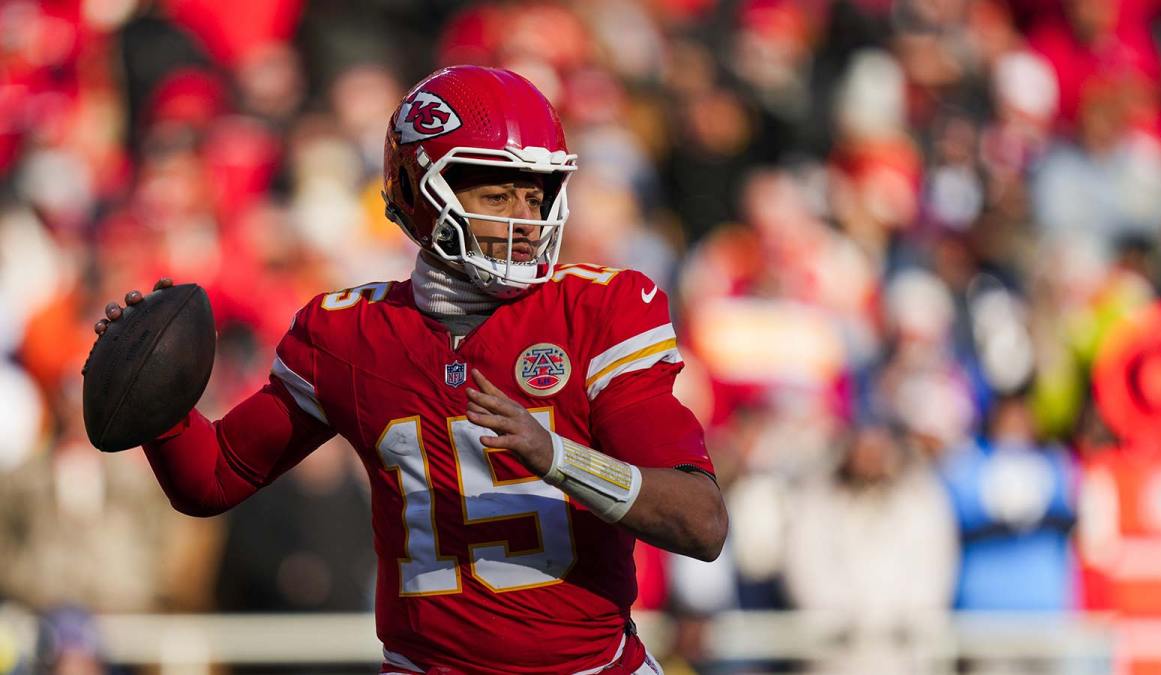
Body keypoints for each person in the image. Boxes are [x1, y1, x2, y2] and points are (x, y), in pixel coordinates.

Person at [91, 65, 728, 674]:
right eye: (498, 192)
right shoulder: (348, 333)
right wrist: (152, 396)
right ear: (423, 195)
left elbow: (700, 523)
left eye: (537, 195)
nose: (526, 221)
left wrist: (557, 456)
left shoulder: (600, 309)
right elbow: (213, 479)